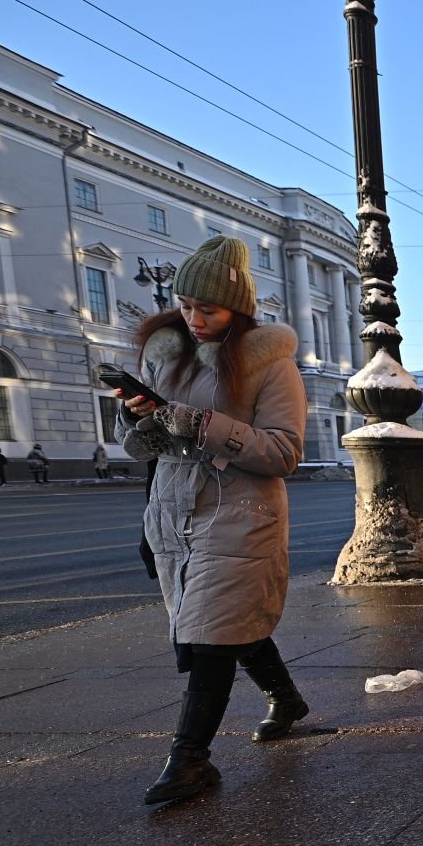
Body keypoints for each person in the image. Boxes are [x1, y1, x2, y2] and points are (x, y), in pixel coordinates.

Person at [115, 236, 309, 805]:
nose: (194, 319)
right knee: (223, 624)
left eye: (209, 309)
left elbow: (283, 453)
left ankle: (190, 760)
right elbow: (144, 451)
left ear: (238, 310)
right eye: (184, 304)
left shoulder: (269, 365)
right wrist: (141, 419)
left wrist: (199, 424)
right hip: (173, 514)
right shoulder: (166, 356)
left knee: (209, 635)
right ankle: (288, 698)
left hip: (241, 514)